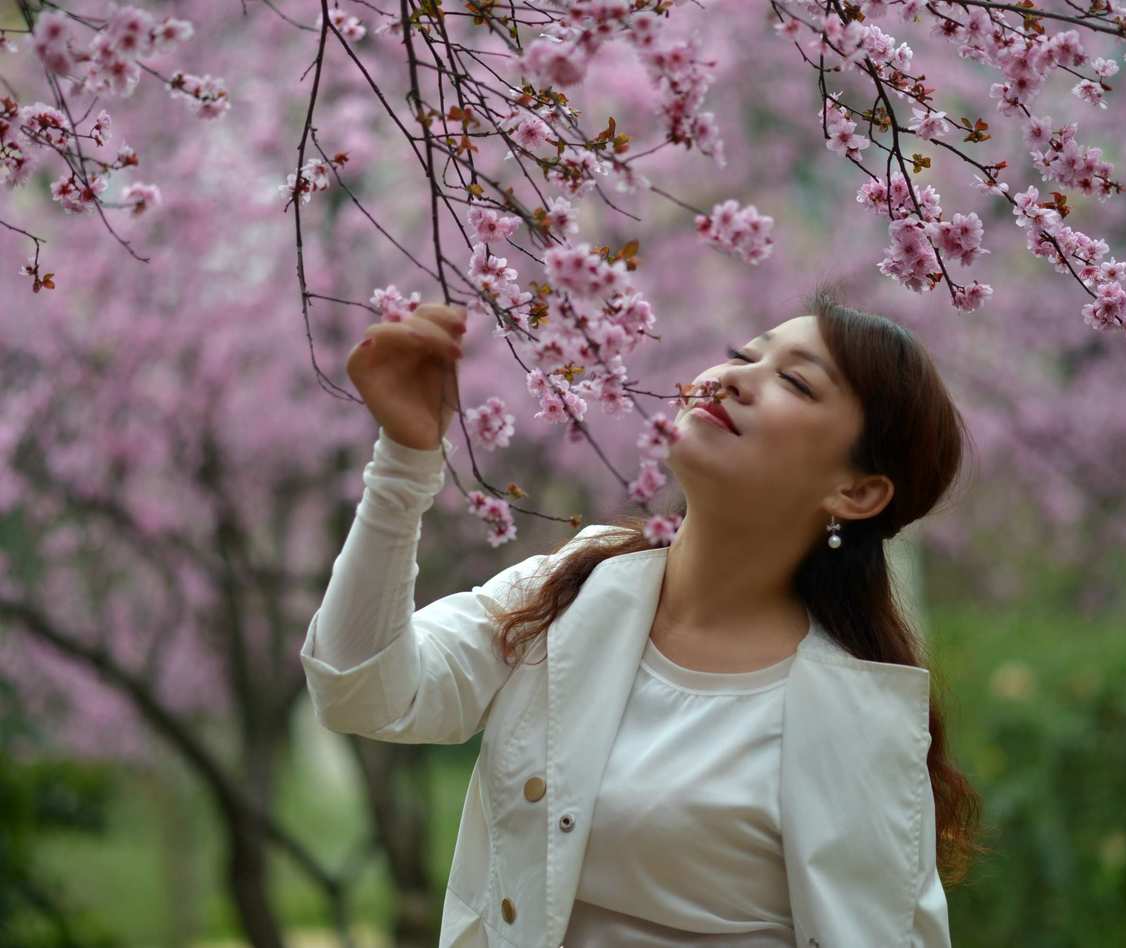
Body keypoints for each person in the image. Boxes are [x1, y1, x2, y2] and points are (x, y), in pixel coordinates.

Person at [299, 287, 984, 947]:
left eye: (798, 384)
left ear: (857, 490)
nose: (734, 380)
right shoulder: (571, 588)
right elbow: (365, 690)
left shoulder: (856, 718)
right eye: (744, 356)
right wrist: (405, 460)